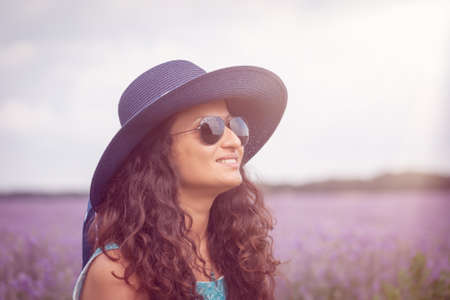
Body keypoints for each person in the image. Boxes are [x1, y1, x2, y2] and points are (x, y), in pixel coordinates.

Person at [72, 60, 287, 300]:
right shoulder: (119, 273)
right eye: (210, 128)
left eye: (235, 125)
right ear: (159, 152)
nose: (234, 141)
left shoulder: (237, 253)